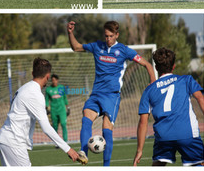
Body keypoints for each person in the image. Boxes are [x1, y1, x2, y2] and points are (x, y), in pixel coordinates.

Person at [67, 20, 156, 166]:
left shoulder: (124, 50)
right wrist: (70, 33)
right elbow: (76, 47)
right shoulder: (97, 46)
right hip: (96, 94)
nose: (107, 39)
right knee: (85, 119)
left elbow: (146, 64)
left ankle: (106, 166)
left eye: (110, 36)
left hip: (112, 96)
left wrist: (153, 81)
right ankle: (83, 153)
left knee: (106, 130)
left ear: (117, 35)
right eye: (106, 36)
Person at [0, 58, 79, 166]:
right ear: (48, 77)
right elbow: (46, 128)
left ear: (32, 73)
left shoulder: (24, 88)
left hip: (5, 138)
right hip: (14, 142)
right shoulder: (35, 95)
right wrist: (68, 149)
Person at [133, 47, 204, 166]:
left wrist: (139, 150)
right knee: (200, 163)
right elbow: (200, 98)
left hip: (163, 136)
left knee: (158, 164)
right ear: (174, 66)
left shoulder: (149, 90)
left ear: (156, 68)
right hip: (187, 133)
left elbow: (143, 122)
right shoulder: (186, 80)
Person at [45, 74, 69, 145]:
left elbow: (65, 98)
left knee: (63, 124)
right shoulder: (48, 89)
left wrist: (68, 107)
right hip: (53, 110)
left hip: (62, 110)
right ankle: (57, 142)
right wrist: (47, 108)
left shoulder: (61, 88)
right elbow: (46, 100)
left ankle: (65, 141)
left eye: (55, 80)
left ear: (57, 80)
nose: (54, 81)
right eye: (52, 80)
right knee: (55, 126)